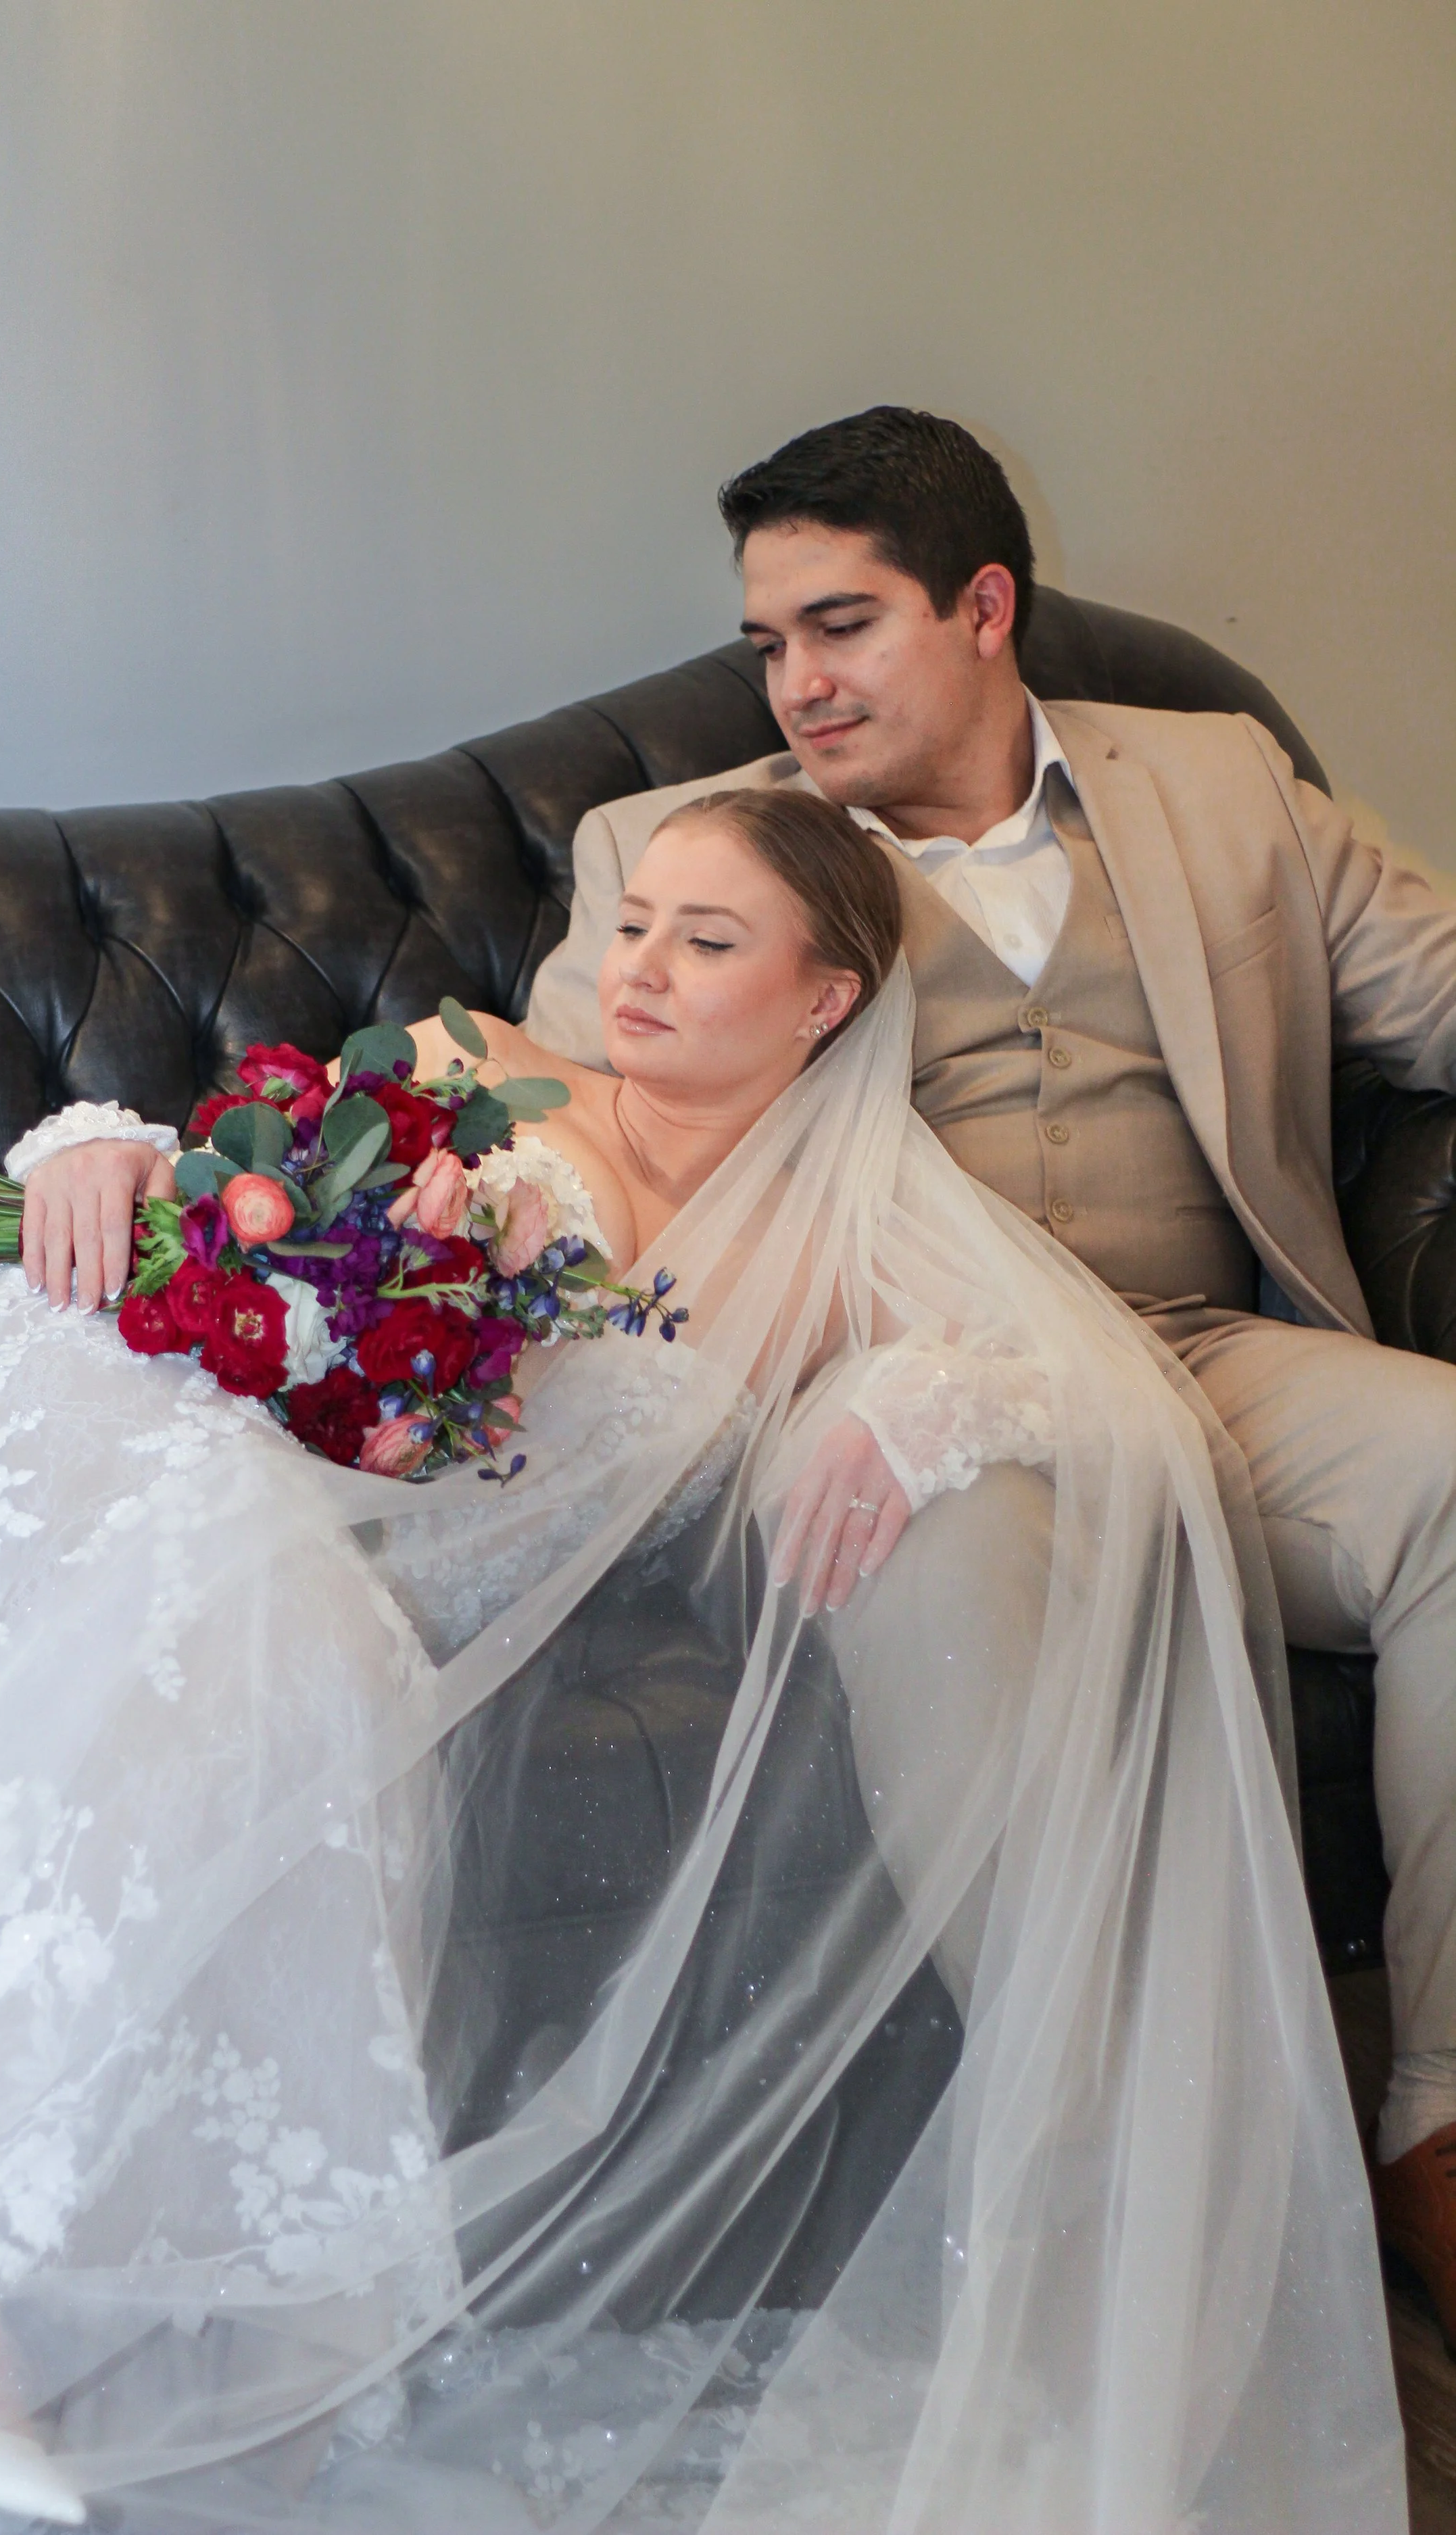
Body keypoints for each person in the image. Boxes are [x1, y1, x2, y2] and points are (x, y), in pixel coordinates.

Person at [0, 788, 1404, 2532]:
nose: (641, 972)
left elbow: (1082, 1383)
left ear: (824, 1001)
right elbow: (223, 1182)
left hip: (342, 1546)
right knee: (232, 1613)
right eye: (636, 927)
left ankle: (69, 2316)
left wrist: (917, 1414)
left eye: (708, 944)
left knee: (296, 1661)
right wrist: (81, 1155)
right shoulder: (478, 1059)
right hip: (147, 1399)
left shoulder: (843, 1228)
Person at [527, 402, 1456, 2334]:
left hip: (1211, 1353)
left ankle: (1432, 2118)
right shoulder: (683, 846)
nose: (795, 683)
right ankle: (1100, 2194)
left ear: (980, 606)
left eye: (840, 626)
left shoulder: (1219, 782)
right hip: (910, 1403)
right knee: (944, 1562)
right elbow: (571, 1120)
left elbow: (1436, 994)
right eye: (767, 641)